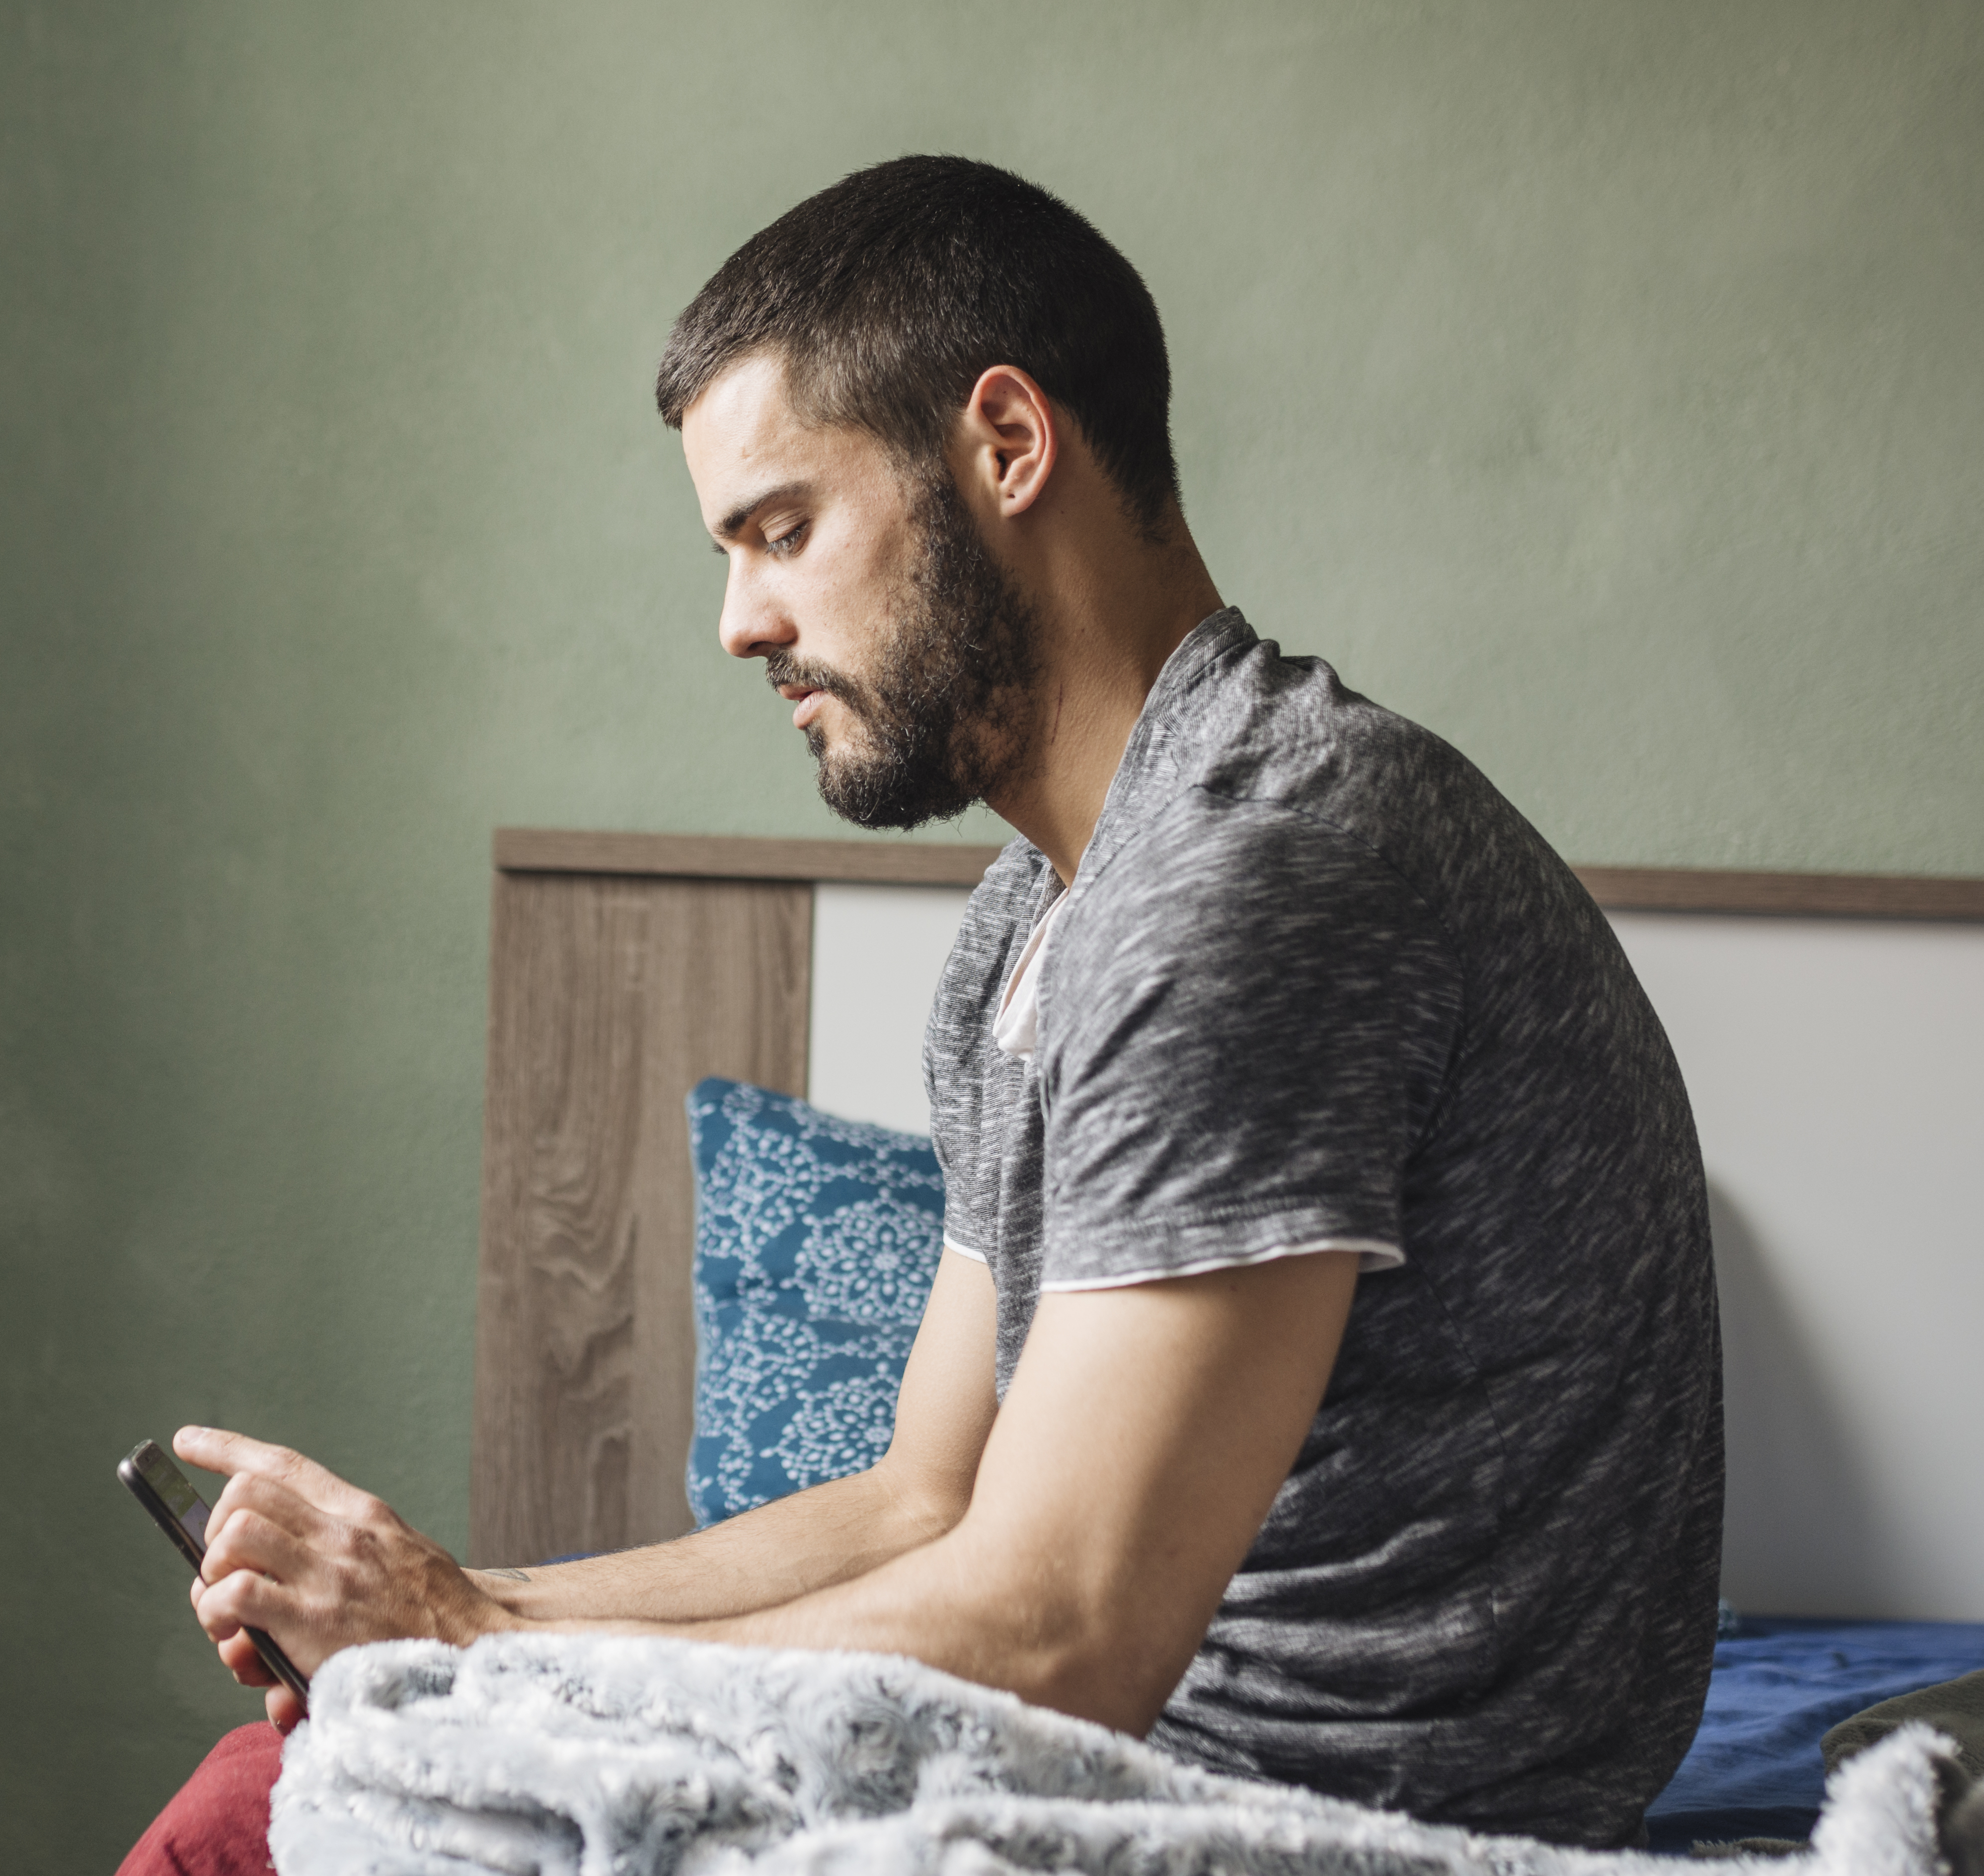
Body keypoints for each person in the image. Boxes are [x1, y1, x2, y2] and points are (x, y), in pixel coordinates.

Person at [119, 155, 1722, 1875]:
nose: (740, 623)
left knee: (257, 1820)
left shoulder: (1254, 873)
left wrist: (478, 1651)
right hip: (1132, 1754)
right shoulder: (1037, 917)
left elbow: (1061, 1634)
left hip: (1314, 1813)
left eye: (782, 529)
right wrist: (457, 1601)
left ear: (1007, 446)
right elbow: (927, 1500)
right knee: (295, 1770)